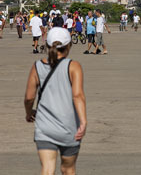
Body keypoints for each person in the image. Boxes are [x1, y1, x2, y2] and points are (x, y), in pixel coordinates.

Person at [24, 27, 87, 175]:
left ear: (47, 45)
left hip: (45, 127)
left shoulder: (37, 66)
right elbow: (78, 95)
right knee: (68, 169)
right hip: (69, 127)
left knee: (47, 169)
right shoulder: (73, 66)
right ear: (69, 45)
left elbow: (29, 97)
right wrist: (83, 122)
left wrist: (29, 113)